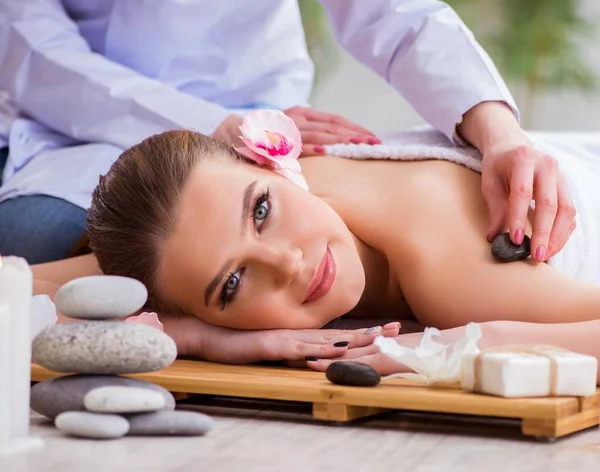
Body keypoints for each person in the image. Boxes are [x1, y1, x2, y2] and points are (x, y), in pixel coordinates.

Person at [0, 0, 575, 267]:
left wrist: (497, 132)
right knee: (40, 238)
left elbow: (395, 13)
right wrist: (214, 128)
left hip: (260, 110)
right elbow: (37, 58)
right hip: (85, 128)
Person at [31, 120, 600, 378]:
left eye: (262, 211)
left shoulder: (452, 272)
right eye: (232, 284)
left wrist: (492, 338)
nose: (288, 264)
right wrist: (196, 338)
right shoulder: (185, 235)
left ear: (273, 162)